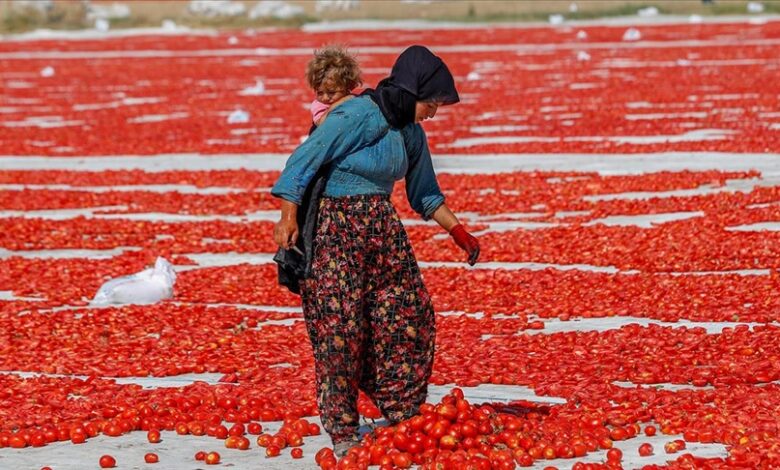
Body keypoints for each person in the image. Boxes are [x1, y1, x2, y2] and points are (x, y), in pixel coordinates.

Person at [271, 45, 480, 456]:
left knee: (410, 315)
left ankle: (402, 408)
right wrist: (287, 216)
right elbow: (302, 161)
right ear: (411, 92)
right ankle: (342, 426)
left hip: (382, 233)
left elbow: (425, 193)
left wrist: (460, 233)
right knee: (341, 329)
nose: (434, 113)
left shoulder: (410, 132)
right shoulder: (357, 115)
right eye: (431, 103)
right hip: (336, 229)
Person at [306, 45, 363, 127]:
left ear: (347, 87)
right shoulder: (319, 105)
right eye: (320, 93)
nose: (325, 98)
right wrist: (340, 103)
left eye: (331, 92)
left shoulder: (354, 99)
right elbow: (321, 124)